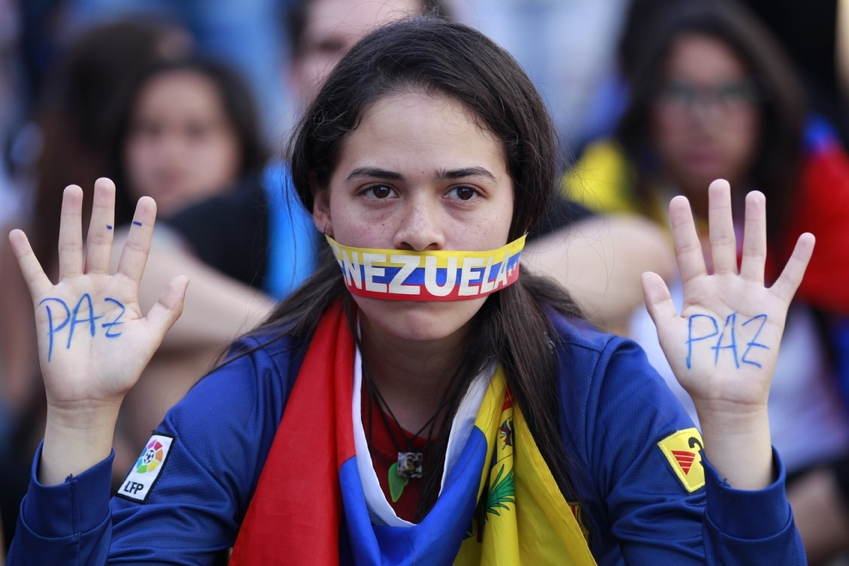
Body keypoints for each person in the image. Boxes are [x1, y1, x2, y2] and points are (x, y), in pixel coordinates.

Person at [6, 18, 810, 563]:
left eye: (462, 193)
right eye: (379, 191)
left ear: (522, 208)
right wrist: (78, 423)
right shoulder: (251, 391)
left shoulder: (606, 391)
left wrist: (736, 429)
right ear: (320, 204)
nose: (420, 231)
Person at [563, 0, 849, 561]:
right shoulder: (586, 207)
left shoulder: (820, 203)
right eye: (681, 93)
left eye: (731, 93)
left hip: (820, 494)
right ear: (646, 103)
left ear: (765, 102)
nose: (705, 117)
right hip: (656, 511)